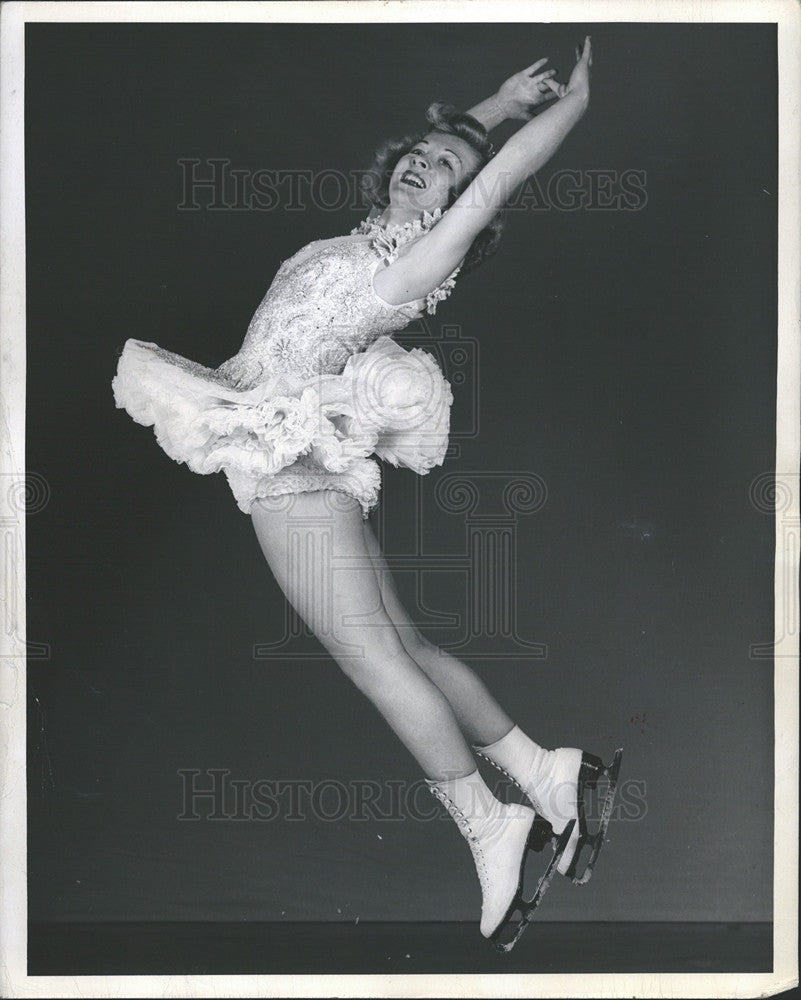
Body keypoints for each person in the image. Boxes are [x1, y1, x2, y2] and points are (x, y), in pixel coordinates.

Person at [112, 37, 621, 951]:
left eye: (444, 176)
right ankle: (545, 773)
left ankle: (494, 828)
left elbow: (499, 175)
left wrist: (564, 110)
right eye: (422, 158)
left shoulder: (409, 270)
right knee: (409, 647)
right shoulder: (358, 243)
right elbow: (466, 147)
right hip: (293, 444)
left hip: (289, 465)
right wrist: (495, 104)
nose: (427, 167)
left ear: (454, 211)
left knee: (372, 662)